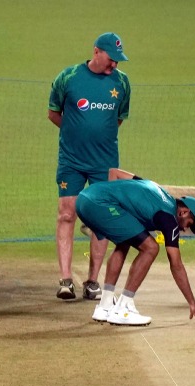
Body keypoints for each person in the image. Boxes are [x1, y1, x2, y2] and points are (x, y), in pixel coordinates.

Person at [48, 32, 132, 301]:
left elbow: (118, 119)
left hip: (104, 164)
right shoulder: (69, 78)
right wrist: (77, 134)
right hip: (71, 161)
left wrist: (95, 137)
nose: (114, 65)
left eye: (118, 61)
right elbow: (53, 113)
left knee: (101, 220)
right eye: (111, 59)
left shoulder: (122, 83)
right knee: (66, 215)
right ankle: (65, 280)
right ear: (96, 51)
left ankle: (93, 281)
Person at [75, 174, 195, 326]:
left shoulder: (159, 191)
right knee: (151, 248)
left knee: (124, 243)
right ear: (183, 212)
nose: (185, 229)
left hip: (84, 199)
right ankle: (123, 308)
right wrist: (193, 304)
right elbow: (176, 264)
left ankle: (105, 306)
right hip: (100, 203)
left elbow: (121, 175)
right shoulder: (169, 218)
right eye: (189, 224)